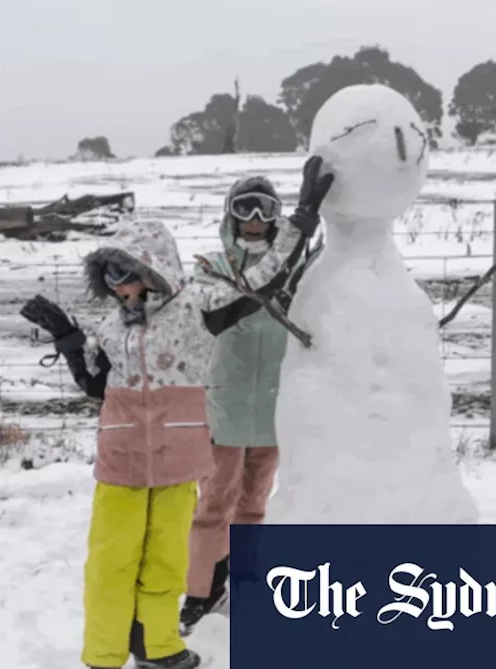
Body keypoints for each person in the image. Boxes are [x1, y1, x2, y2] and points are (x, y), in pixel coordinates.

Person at [18, 157, 333, 669]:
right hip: (121, 466)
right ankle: (103, 654)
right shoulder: (112, 330)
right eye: (110, 276)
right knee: (111, 560)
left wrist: (302, 219)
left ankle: (159, 646)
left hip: (176, 464)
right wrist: (71, 341)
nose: (120, 286)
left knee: (164, 560)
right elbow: (97, 387)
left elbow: (263, 280)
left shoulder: (196, 309)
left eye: (128, 272)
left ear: (154, 269)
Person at [178, 175, 320, 635]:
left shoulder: (300, 271)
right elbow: (210, 309)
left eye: (265, 209)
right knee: (214, 503)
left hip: (277, 403)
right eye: (246, 208)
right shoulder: (212, 267)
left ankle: (242, 580)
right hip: (226, 402)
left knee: (255, 504)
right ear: (230, 212)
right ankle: (199, 593)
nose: (255, 220)